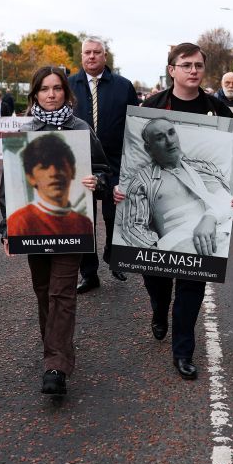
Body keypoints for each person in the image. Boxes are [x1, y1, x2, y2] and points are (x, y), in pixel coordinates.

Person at [114, 42, 233, 381]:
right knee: (158, 286)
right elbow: (134, 224)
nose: (193, 70)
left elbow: (228, 174)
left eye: (198, 65)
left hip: (202, 240)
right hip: (159, 244)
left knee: (191, 290)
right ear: (172, 70)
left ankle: (183, 351)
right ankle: (158, 310)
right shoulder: (150, 108)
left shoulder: (218, 111)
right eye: (186, 65)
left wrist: (227, 200)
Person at [0, 66, 109, 396]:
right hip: (32, 231)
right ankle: (57, 349)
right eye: (44, 89)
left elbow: (103, 170)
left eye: (57, 88)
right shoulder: (26, 131)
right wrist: (7, 227)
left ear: (66, 92)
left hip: (73, 228)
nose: (51, 94)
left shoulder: (80, 129)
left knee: (63, 291)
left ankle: (55, 366)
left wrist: (97, 182)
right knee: (44, 290)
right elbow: (8, 186)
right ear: (35, 95)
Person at [69, 36, 140, 292]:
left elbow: (135, 125)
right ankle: (89, 273)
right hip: (80, 163)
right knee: (85, 219)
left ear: (105, 56)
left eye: (97, 52)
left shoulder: (123, 86)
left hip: (115, 161)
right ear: (81, 56)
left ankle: (114, 256)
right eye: (87, 52)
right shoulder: (69, 85)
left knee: (113, 214)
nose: (91, 56)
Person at [121, 117, 233, 256]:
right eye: (160, 138)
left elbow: (226, 200)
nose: (169, 141)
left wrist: (209, 218)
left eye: (171, 133)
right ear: (148, 148)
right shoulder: (143, 181)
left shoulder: (204, 168)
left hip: (220, 236)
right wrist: (156, 255)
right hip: (179, 248)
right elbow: (133, 227)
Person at [6, 133, 95, 237]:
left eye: (60, 165)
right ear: (31, 177)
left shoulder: (84, 223)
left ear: (73, 171)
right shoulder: (19, 222)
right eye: (44, 167)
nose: (54, 173)